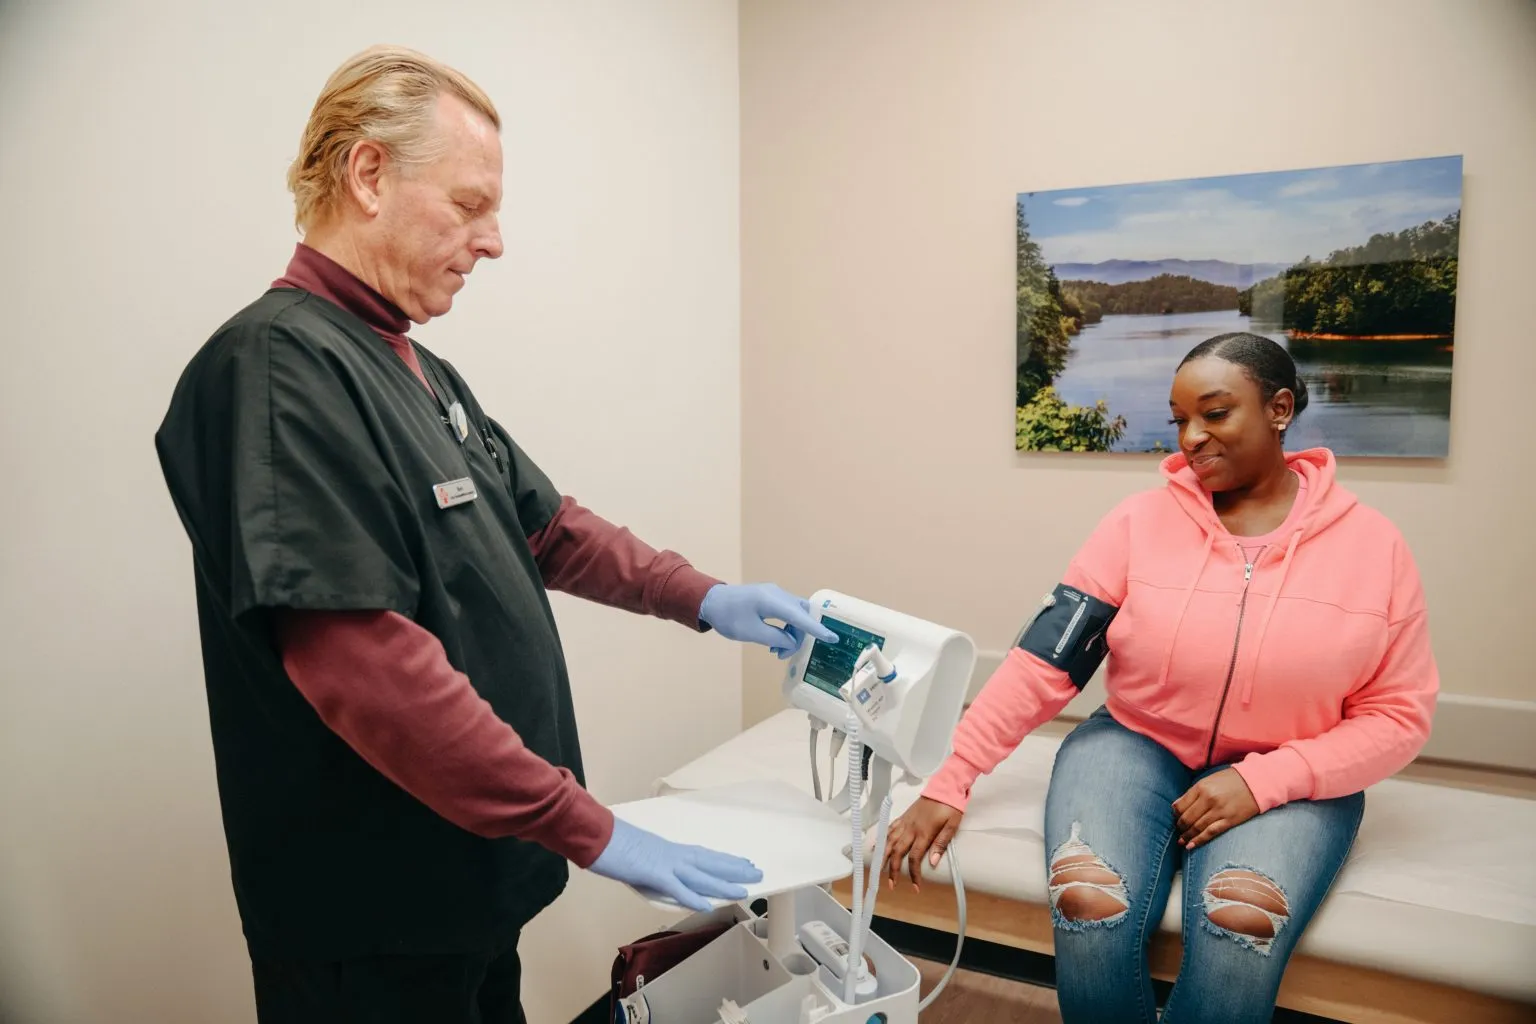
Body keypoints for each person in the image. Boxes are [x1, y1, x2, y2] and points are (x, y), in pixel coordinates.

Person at [153, 45, 836, 1024]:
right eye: (470, 205)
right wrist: (592, 828)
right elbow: (366, 670)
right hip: (371, 922)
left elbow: (551, 532)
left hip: (474, 891)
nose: (495, 240)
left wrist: (707, 598)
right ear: (369, 173)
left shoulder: (417, 370)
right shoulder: (275, 371)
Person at [882, 332, 1438, 1023]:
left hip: (1292, 771)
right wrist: (953, 777)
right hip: (1135, 743)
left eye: (1215, 413)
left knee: (1242, 926)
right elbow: (1044, 664)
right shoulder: (1136, 525)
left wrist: (1264, 780)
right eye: (1180, 421)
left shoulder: (1373, 548)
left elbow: (1398, 716)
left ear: (1280, 408)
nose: (1191, 438)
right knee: (1089, 901)